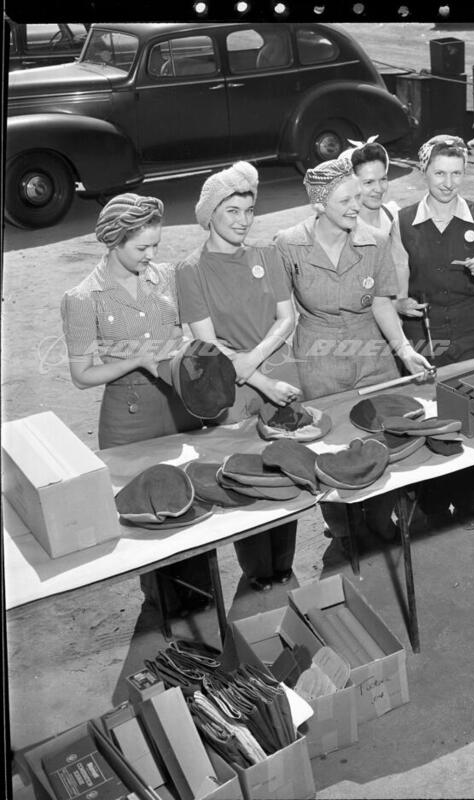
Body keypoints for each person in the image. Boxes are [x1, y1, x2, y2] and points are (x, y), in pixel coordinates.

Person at [60, 193, 213, 617]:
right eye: (142, 247)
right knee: (147, 514)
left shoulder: (167, 278)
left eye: (156, 246)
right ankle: (162, 608)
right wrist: (136, 360)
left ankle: (202, 599)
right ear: (114, 241)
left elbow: (191, 334)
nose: (151, 256)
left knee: (192, 500)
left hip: (178, 404)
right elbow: (81, 375)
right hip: (127, 416)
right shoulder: (83, 297)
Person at [273, 154, 431, 540]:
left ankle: (378, 517)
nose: (356, 206)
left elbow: (381, 303)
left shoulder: (375, 241)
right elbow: (280, 313)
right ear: (319, 204)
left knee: (379, 437)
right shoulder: (288, 244)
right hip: (318, 358)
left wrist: (404, 349)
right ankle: (343, 528)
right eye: (345, 200)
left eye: (357, 198)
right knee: (328, 445)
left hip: (372, 354)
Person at [177, 162, 301, 592]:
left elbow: (286, 318)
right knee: (244, 477)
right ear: (210, 214)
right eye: (232, 211)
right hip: (233, 390)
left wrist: (254, 362)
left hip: (277, 373)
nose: (243, 220)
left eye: (249, 211)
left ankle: (283, 565)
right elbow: (207, 343)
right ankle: (256, 572)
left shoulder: (267, 254)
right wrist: (260, 380)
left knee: (285, 471)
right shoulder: (190, 270)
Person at [392, 134, 474, 530]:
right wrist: (401, 304)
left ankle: (469, 503)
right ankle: (435, 507)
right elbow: (397, 292)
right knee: (432, 420)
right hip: (426, 332)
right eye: (440, 173)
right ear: (424, 171)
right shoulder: (403, 222)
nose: (448, 182)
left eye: (457, 173)